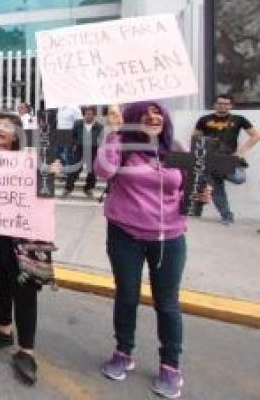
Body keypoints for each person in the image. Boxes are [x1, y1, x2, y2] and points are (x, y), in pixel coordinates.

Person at [95, 101, 211, 399]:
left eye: (157, 112)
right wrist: (113, 132)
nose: (152, 117)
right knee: (127, 295)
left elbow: (188, 188)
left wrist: (200, 194)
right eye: (145, 114)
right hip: (125, 235)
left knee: (167, 303)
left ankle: (170, 366)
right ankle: (123, 352)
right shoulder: (121, 144)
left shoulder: (178, 147)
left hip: (169, 238)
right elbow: (103, 172)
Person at [0, 112, 50, 386]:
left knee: (24, 289)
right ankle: (4, 330)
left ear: (17, 134)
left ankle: (26, 350)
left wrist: (51, 173)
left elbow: (44, 191)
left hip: (21, 238)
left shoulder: (30, 160)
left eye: (6, 126)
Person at [193, 94, 258, 224]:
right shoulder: (204, 119)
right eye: (220, 103)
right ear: (215, 104)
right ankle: (227, 217)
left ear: (230, 105)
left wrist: (241, 152)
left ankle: (215, 175)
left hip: (229, 158)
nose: (222, 105)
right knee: (218, 191)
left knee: (239, 178)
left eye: (226, 103)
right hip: (210, 158)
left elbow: (255, 136)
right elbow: (195, 138)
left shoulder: (239, 119)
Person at [62, 106, 103, 198]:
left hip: (93, 150)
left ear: (94, 115)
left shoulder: (99, 127)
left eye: (91, 114)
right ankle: (68, 188)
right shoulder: (78, 124)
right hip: (80, 149)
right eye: (87, 114)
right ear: (84, 115)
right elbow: (72, 137)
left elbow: (101, 140)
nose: (89, 116)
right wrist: (75, 144)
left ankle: (88, 188)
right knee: (75, 169)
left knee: (92, 171)